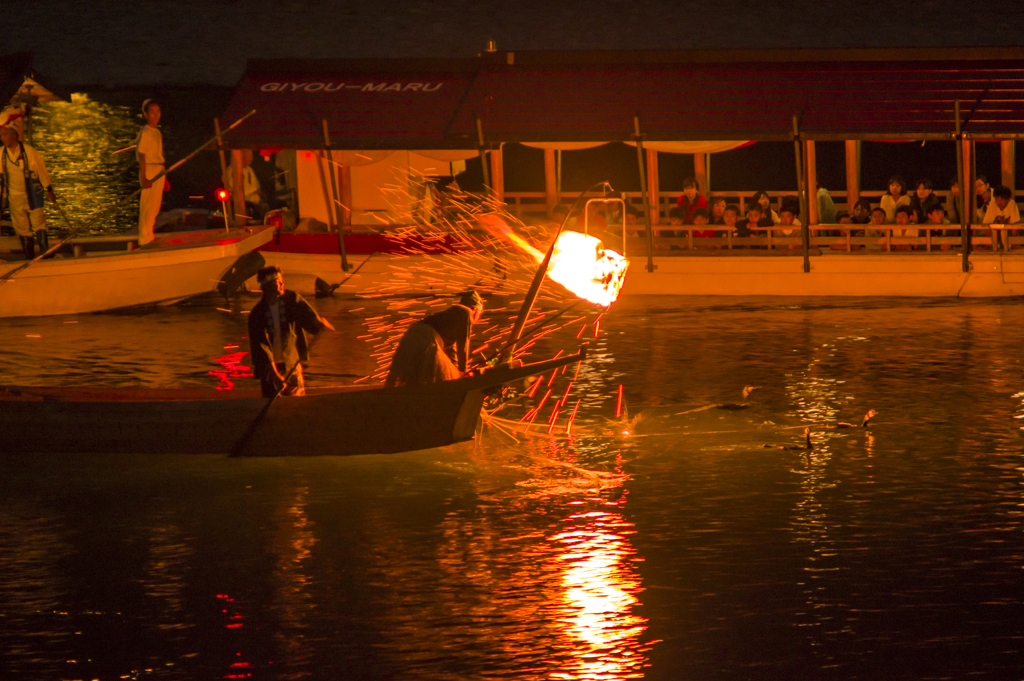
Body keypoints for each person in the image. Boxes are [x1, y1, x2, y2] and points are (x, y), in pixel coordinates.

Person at [248, 266, 335, 398]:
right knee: (274, 406)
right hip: (270, 368)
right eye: (278, 282)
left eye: (282, 280)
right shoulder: (257, 314)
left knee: (296, 401)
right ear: (267, 287)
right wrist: (275, 376)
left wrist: (318, 322)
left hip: (291, 363)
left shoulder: (292, 299)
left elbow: (308, 317)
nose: (282, 284)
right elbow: (261, 348)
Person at [385, 290, 484, 388]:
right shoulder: (466, 312)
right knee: (427, 376)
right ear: (475, 309)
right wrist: (463, 371)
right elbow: (463, 345)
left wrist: (457, 374)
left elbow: (452, 355)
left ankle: (385, 394)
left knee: (397, 370)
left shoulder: (451, 320)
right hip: (427, 337)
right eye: (479, 315)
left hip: (413, 331)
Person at [0, 125, 57, 259]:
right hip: (14, 195)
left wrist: (49, 189)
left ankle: (45, 253)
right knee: (21, 226)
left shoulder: (30, 152)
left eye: (4, 135)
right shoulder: (1, 153)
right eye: (1, 136)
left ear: (13, 136)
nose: (2, 138)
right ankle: (29, 257)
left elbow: (42, 171)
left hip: (32, 194)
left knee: (39, 222)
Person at [135, 99, 165, 245]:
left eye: (158, 112)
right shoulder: (145, 132)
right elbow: (142, 155)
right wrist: (144, 177)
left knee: (155, 206)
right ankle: (143, 238)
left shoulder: (157, 132)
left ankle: (149, 234)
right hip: (150, 169)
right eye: (152, 112)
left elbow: (158, 153)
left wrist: (164, 176)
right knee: (147, 205)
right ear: (146, 115)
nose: (156, 115)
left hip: (159, 170)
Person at [225, 149, 269, 221]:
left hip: (256, 203)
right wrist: (256, 191)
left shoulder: (249, 170)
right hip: (245, 205)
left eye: (251, 155)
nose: (251, 158)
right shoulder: (231, 170)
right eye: (248, 155)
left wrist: (260, 195)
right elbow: (235, 189)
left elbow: (257, 187)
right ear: (241, 155)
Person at [981, 184, 1020, 250]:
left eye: (1002, 200)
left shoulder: (1012, 204)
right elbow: (987, 225)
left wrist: (1014, 244)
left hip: (1009, 242)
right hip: (995, 243)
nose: (999, 203)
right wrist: (988, 245)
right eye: (996, 199)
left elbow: (1015, 227)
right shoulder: (992, 205)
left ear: (1008, 199)